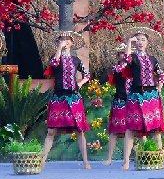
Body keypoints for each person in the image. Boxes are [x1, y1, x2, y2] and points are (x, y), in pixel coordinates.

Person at [41, 31, 91, 169]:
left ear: (72, 43)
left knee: (79, 130)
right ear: (58, 42)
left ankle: (86, 162)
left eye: (68, 39)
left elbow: (87, 74)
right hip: (58, 98)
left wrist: (80, 84)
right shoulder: (55, 58)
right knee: (51, 131)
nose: (65, 41)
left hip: (73, 98)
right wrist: (59, 49)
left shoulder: (76, 60)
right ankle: (42, 161)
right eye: (62, 39)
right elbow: (54, 65)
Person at [120, 27, 164, 170]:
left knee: (155, 129)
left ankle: (160, 160)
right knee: (131, 129)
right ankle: (126, 162)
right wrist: (129, 42)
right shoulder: (132, 57)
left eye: (143, 40)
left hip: (151, 96)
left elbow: (161, 74)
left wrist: (159, 87)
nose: (140, 42)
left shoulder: (152, 59)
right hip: (135, 95)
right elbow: (125, 59)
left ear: (147, 42)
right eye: (138, 40)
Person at [103, 42, 131, 165]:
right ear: (118, 55)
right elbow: (121, 69)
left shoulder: (134, 67)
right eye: (121, 53)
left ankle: (143, 154)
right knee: (115, 131)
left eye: (125, 53)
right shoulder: (116, 67)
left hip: (133, 100)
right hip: (120, 100)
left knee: (138, 130)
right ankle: (109, 158)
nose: (123, 55)